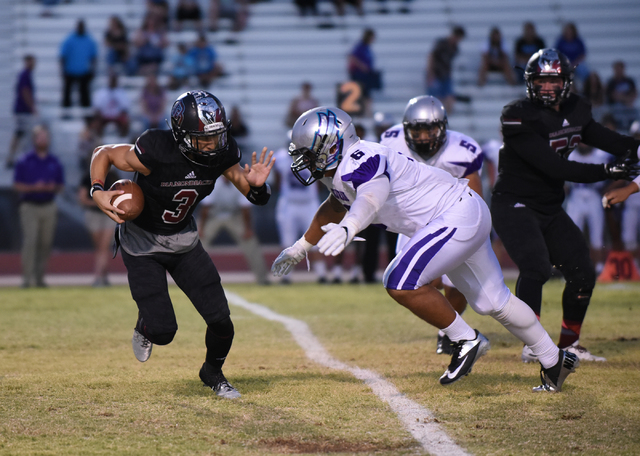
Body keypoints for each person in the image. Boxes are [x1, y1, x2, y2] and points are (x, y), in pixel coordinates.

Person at [272, 106, 581, 393]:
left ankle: (465, 340)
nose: (305, 162)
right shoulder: (340, 170)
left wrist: (349, 228)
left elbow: (371, 196)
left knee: (399, 281)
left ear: (332, 145)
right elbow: (335, 206)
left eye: (309, 154)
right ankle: (555, 361)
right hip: (461, 213)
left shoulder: (362, 157)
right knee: (493, 301)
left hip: (454, 215)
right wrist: (300, 247)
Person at [89, 90, 274, 398]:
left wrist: (258, 187)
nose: (213, 145)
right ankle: (145, 323)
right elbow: (103, 152)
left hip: (184, 241)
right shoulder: (156, 148)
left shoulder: (223, 153)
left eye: (217, 136)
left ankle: (212, 372)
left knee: (222, 323)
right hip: (142, 244)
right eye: (204, 139)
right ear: (181, 136)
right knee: (163, 333)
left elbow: (254, 195)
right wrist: (97, 190)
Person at [490, 49, 640, 364]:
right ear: (530, 82)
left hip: (548, 206)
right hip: (514, 203)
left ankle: (570, 344)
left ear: (566, 81)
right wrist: (606, 172)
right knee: (536, 267)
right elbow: (555, 168)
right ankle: (534, 345)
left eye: (553, 80)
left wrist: (635, 148)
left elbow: (611, 140)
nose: (546, 87)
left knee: (583, 272)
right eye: (540, 81)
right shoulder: (517, 115)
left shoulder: (576, 109)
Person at [380, 95, 484, 355]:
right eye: (417, 130)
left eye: (430, 129)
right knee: (418, 281)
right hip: (411, 221)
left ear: (443, 127)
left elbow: (476, 197)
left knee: (458, 284)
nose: (424, 137)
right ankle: (451, 328)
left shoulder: (461, 150)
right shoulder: (390, 143)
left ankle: (449, 332)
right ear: (406, 129)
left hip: (451, 219)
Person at [13, 125, 65, 288]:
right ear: (34, 140)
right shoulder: (24, 160)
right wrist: (35, 187)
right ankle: (27, 279)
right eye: (39, 137)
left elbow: (60, 185)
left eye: (45, 137)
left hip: (48, 205)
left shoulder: (54, 161)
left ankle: (40, 278)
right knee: (30, 241)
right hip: (30, 205)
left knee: (45, 242)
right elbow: (17, 185)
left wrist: (51, 187)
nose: (42, 140)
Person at [273, 138, 327, 284]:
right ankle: (286, 277)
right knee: (288, 242)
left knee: (314, 240)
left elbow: (320, 181)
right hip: (289, 205)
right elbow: (278, 182)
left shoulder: (313, 157)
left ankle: (321, 275)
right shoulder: (281, 158)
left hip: (309, 204)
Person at [198, 176, 269, 285]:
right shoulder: (214, 183)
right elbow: (206, 208)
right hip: (214, 216)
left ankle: (262, 279)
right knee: (197, 243)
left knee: (250, 242)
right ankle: (191, 278)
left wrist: (248, 229)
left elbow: (245, 209)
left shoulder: (241, 183)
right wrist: (201, 229)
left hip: (234, 216)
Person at [565, 144, 610, 274]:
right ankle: (571, 269)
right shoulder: (572, 155)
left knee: (597, 234)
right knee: (571, 235)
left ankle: (599, 268)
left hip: (594, 194)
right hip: (576, 195)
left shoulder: (600, 155)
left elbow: (609, 177)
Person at [78, 169, 120, 287]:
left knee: (103, 246)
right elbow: (83, 198)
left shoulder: (113, 176)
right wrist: (100, 202)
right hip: (94, 215)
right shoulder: (88, 177)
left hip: (109, 215)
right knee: (99, 247)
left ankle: (98, 277)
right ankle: (103, 275)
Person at [59, 19, 97, 112]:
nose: (80, 28)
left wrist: (93, 70)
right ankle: (66, 114)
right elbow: (62, 56)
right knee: (67, 94)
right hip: (70, 71)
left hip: (83, 72)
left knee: (85, 95)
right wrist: (62, 70)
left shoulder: (89, 40)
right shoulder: (69, 39)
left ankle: (86, 116)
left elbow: (94, 57)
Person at [426, 25, 465, 113]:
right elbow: (431, 57)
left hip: (445, 75)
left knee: (449, 97)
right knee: (434, 98)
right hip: (436, 74)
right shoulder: (442, 43)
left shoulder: (455, 48)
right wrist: (430, 73)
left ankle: (446, 118)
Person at [7, 55, 37, 168]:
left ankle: (12, 157)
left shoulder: (26, 75)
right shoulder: (25, 75)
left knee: (20, 134)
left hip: (23, 110)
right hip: (23, 111)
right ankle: (13, 157)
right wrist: (32, 107)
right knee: (21, 134)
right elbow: (25, 92)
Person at [347, 28, 377, 117]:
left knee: (366, 94)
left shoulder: (367, 47)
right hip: (360, 75)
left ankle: (367, 112)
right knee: (362, 94)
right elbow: (352, 57)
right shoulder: (360, 46)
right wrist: (362, 66)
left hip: (366, 75)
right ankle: (364, 113)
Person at [605, 60, 638, 132]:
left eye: (620, 69)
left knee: (635, 112)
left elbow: (634, 94)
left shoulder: (629, 81)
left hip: (628, 106)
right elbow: (613, 96)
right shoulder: (611, 82)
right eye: (617, 69)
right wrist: (625, 98)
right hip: (615, 107)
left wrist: (621, 97)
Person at [554, 23, 588, 88]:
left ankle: (586, 88)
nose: (569, 32)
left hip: (576, 64)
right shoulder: (561, 41)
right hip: (563, 64)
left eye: (570, 31)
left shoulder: (578, 41)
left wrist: (574, 64)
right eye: (567, 30)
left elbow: (582, 55)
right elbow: (556, 54)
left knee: (584, 70)